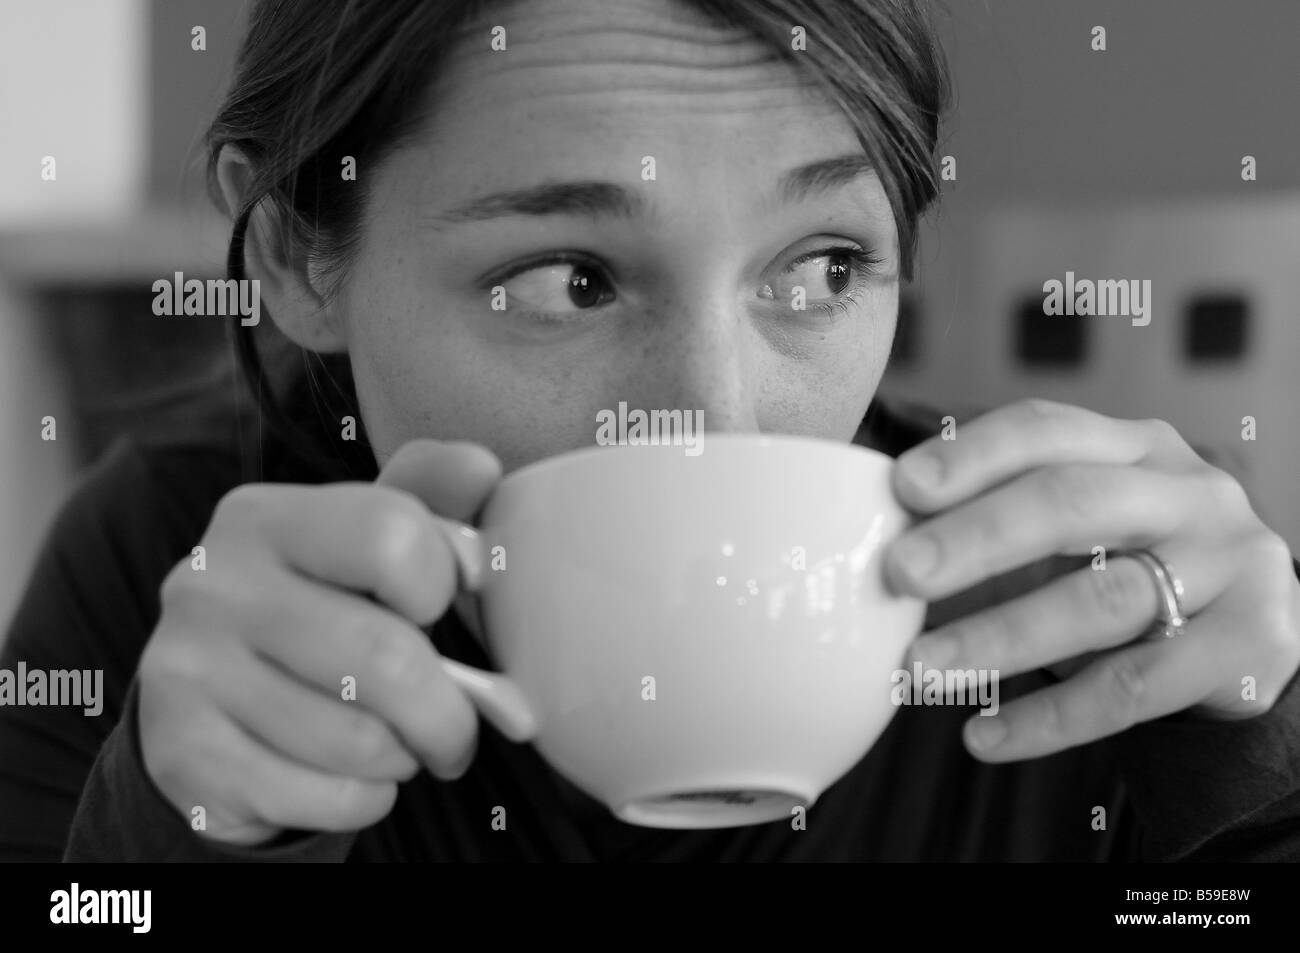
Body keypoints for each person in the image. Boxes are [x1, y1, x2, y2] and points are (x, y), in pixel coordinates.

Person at [2, 0, 1298, 862]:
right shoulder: (162, 573)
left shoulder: (1079, 615)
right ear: (297, 254)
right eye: (570, 279)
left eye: (824, 266)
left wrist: (1250, 775)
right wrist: (167, 845)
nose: (719, 418)